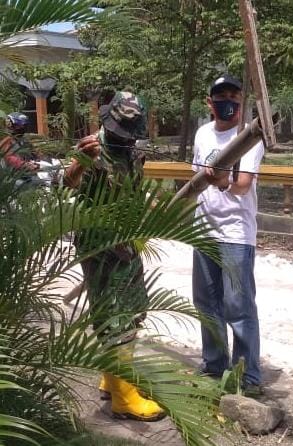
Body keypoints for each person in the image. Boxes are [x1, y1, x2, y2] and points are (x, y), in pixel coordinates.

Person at [63, 91, 165, 421]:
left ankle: (112, 378)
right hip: (100, 246)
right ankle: (123, 398)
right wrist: (78, 164)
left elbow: (130, 189)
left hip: (127, 244)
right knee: (116, 317)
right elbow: (62, 185)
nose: (126, 138)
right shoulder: (91, 147)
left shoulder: (131, 152)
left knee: (133, 309)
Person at [191, 74, 265, 397]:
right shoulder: (202, 134)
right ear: (210, 102)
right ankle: (214, 365)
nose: (228, 101)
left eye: (234, 95)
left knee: (238, 305)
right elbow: (196, 178)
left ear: (242, 100)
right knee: (207, 302)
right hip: (203, 229)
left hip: (236, 233)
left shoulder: (250, 137)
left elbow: (244, 184)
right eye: (221, 96)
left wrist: (222, 182)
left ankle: (248, 377)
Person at [1, 112, 39, 177]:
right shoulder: (6, 140)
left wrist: (42, 159)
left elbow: (34, 152)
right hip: (12, 176)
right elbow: (9, 158)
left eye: (24, 126)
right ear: (11, 125)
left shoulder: (24, 139)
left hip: (26, 171)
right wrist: (25, 165)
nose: (22, 128)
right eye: (19, 126)